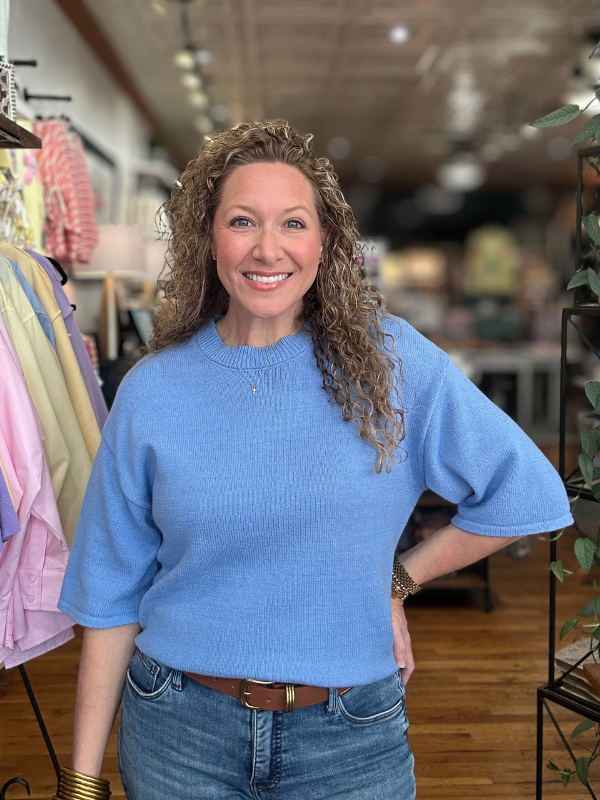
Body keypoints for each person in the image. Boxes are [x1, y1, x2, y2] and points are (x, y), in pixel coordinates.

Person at [55, 120, 572, 800]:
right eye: (242, 221)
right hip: (179, 731)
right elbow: (109, 594)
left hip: (350, 735)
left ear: (325, 243)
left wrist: (396, 580)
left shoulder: (392, 362)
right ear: (208, 241)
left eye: (292, 223)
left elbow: (526, 494)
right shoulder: (152, 390)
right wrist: (82, 783)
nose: (268, 248)